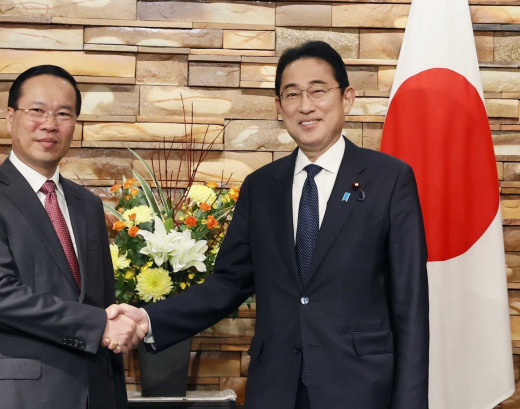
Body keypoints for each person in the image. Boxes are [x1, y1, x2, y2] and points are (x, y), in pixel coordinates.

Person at [108, 41, 429, 409]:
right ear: (280, 107)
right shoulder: (261, 187)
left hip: (361, 389)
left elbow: (410, 305)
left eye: (318, 91)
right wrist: (148, 318)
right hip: (277, 389)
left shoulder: (389, 180)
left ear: (347, 98)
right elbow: (227, 284)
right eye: (292, 94)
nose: (305, 105)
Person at [0, 65, 143, 409]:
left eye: (63, 114)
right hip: (19, 397)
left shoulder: (88, 205)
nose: (50, 124)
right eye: (37, 110)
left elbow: (102, 303)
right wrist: (99, 324)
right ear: (11, 117)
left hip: (95, 393)